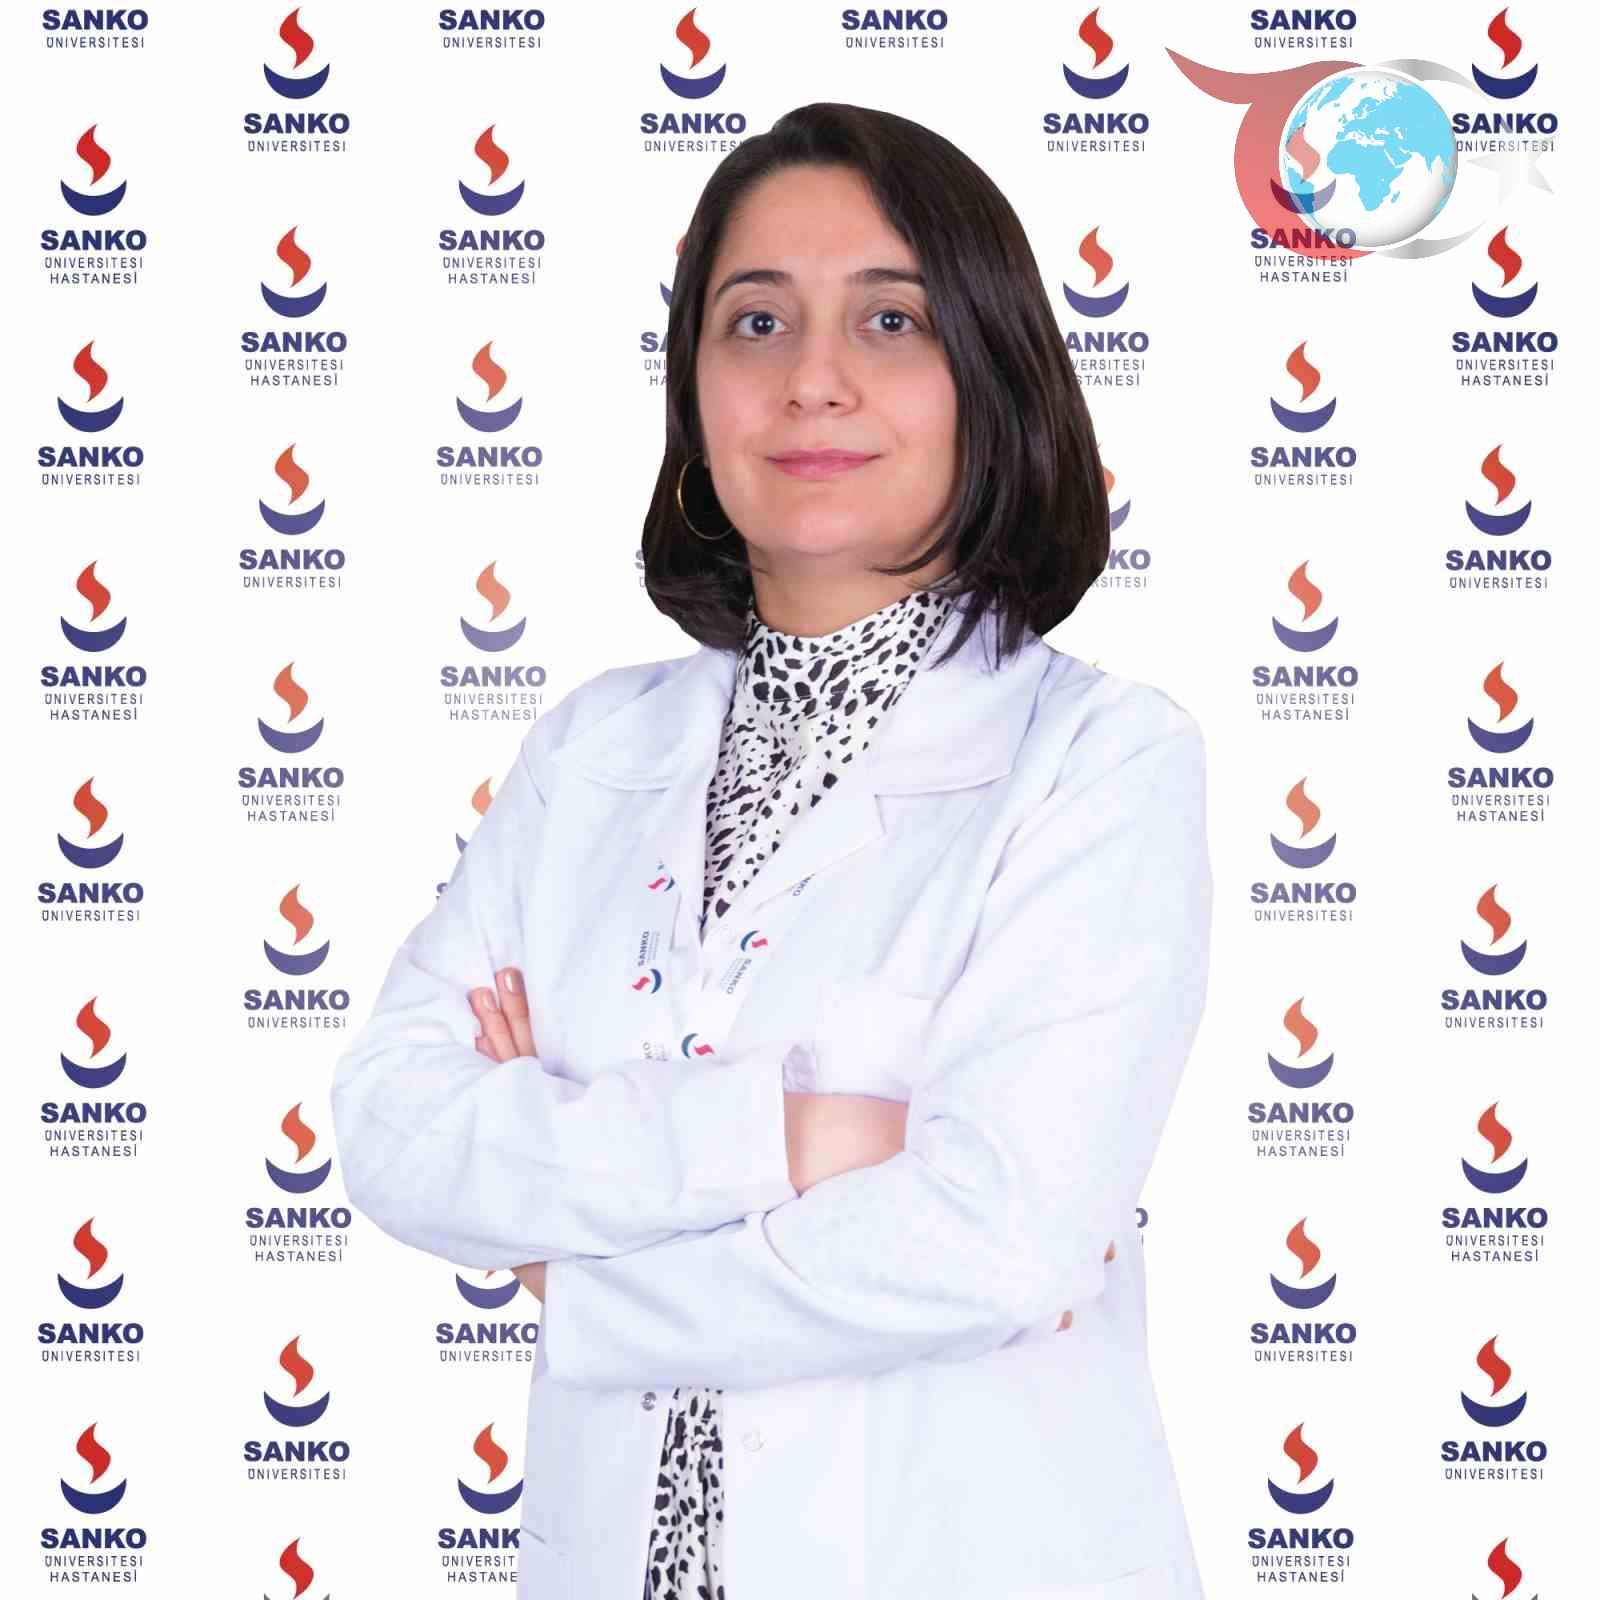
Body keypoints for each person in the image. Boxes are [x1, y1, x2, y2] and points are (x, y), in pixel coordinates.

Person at [331, 102, 1213, 1600]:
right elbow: (400, 1128)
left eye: (890, 319)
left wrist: (572, 1267)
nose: (812, 377)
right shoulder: (594, 748)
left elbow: (997, 1242)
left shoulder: (1099, 759)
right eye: (755, 321)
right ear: (693, 391)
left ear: (994, 375)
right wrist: (788, 1140)